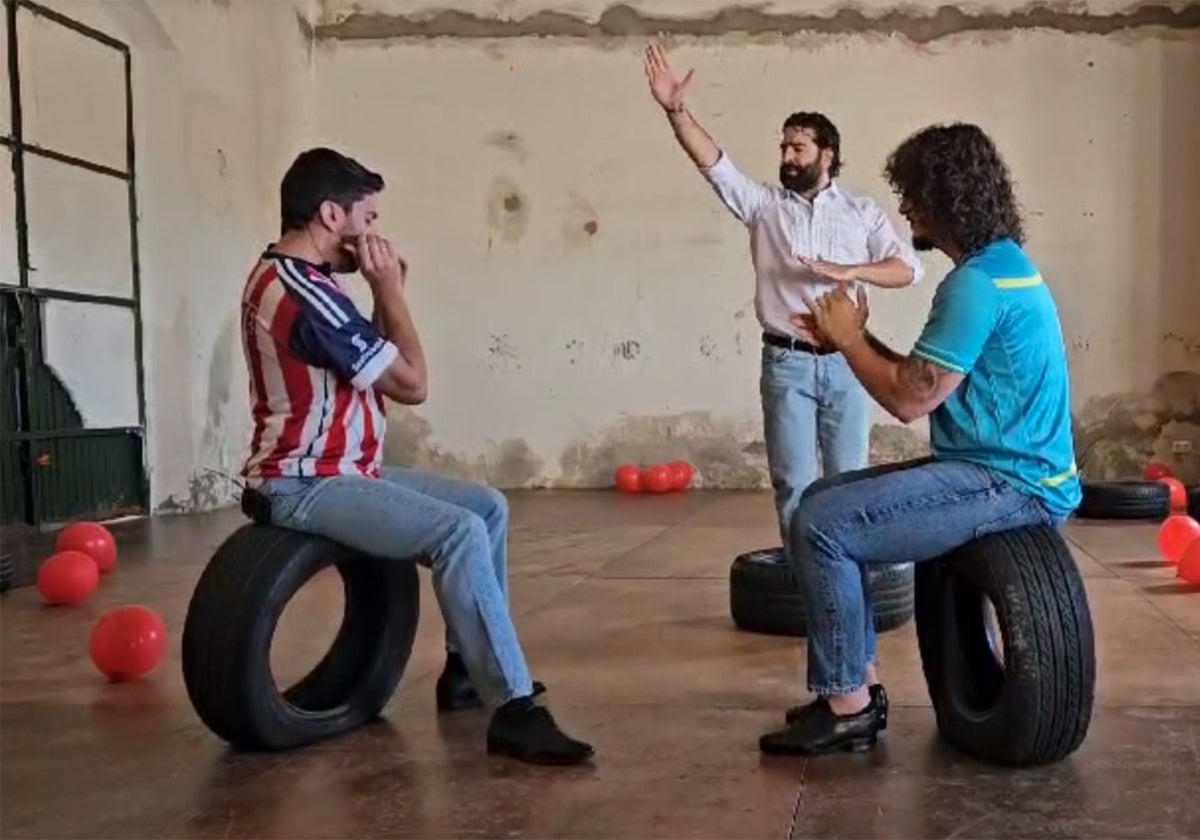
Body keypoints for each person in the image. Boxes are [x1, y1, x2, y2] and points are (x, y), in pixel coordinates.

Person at [237, 147, 594, 766]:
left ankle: (465, 671)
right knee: (456, 533)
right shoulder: (304, 296)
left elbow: (374, 366)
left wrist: (380, 296)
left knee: (485, 508)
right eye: (367, 219)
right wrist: (392, 289)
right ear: (330, 215)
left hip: (347, 466)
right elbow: (411, 383)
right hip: (304, 480)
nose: (374, 234)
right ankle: (513, 709)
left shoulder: (304, 282)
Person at [756, 122, 1082, 757]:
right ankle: (856, 687)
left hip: (1009, 483)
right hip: (1010, 471)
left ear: (945, 198)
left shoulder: (975, 286)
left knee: (822, 522)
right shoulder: (1004, 267)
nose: (905, 207)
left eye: (913, 194)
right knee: (822, 500)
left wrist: (849, 337)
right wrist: (848, 341)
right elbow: (919, 377)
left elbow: (909, 398)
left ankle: (848, 703)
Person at [642, 43, 924, 557]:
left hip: (848, 363)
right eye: (784, 147)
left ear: (827, 155)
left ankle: (851, 575)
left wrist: (852, 269)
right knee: (793, 484)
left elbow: (910, 268)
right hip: (786, 362)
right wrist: (676, 109)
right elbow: (713, 163)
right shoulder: (764, 207)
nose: (786, 157)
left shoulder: (862, 213)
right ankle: (803, 580)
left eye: (798, 148)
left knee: (849, 481)